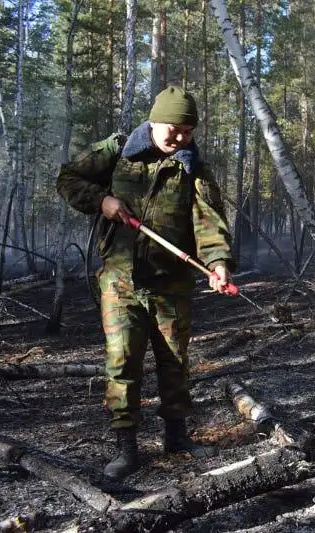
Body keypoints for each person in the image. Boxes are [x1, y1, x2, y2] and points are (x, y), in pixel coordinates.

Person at [57, 86, 235, 480]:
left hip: (172, 284)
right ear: (155, 121)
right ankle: (126, 447)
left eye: (188, 131)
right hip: (120, 282)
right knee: (122, 362)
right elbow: (68, 177)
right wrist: (101, 200)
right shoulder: (118, 151)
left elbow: (208, 223)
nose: (180, 138)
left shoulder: (193, 168)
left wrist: (218, 263)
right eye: (173, 129)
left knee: (174, 362)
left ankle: (177, 436)